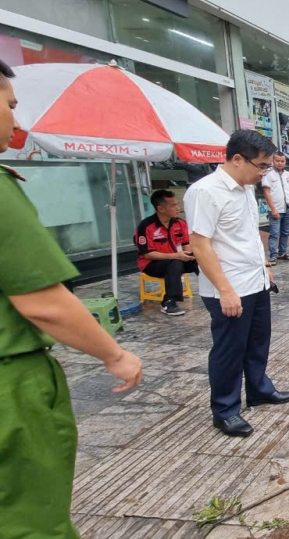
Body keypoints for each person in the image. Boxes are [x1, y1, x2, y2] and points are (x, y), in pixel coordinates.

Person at [0, 58, 143, 539]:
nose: (16, 123)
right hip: (9, 388)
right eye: (9, 105)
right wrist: (115, 353)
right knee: (28, 518)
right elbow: (41, 301)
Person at [186, 130, 289, 437]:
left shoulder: (245, 187)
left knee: (258, 341)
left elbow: (247, 235)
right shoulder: (205, 192)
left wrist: (265, 267)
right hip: (229, 288)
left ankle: (259, 389)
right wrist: (225, 290)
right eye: (261, 166)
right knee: (229, 350)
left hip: (255, 281)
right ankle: (225, 409)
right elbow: (201, 245)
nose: (263, 173)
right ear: (237, 159)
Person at [134, 189, 199, 316]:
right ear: (161, 209)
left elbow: (187, 243)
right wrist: (177, 256)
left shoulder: (180, 223)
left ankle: (216, 289)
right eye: (173, 205)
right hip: (152, 264)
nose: (177, 208)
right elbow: (148, 254)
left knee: (201, 257)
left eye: (177, 204)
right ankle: (168, 302)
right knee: (175, 263)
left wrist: (190, 255)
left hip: (177, 259)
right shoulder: (146, 226)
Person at [263, 152, 289, 265]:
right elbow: (266, 192)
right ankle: (273, 256)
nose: (280, 163)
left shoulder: (288, 174)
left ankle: (282, 252)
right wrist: (273, 209)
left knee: (285, 232)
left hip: (287, 209)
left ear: (285, 162)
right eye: (277, 161)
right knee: (274, 233)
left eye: (282, 161)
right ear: (273, 161)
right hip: (276, 209)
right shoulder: (268, 174)